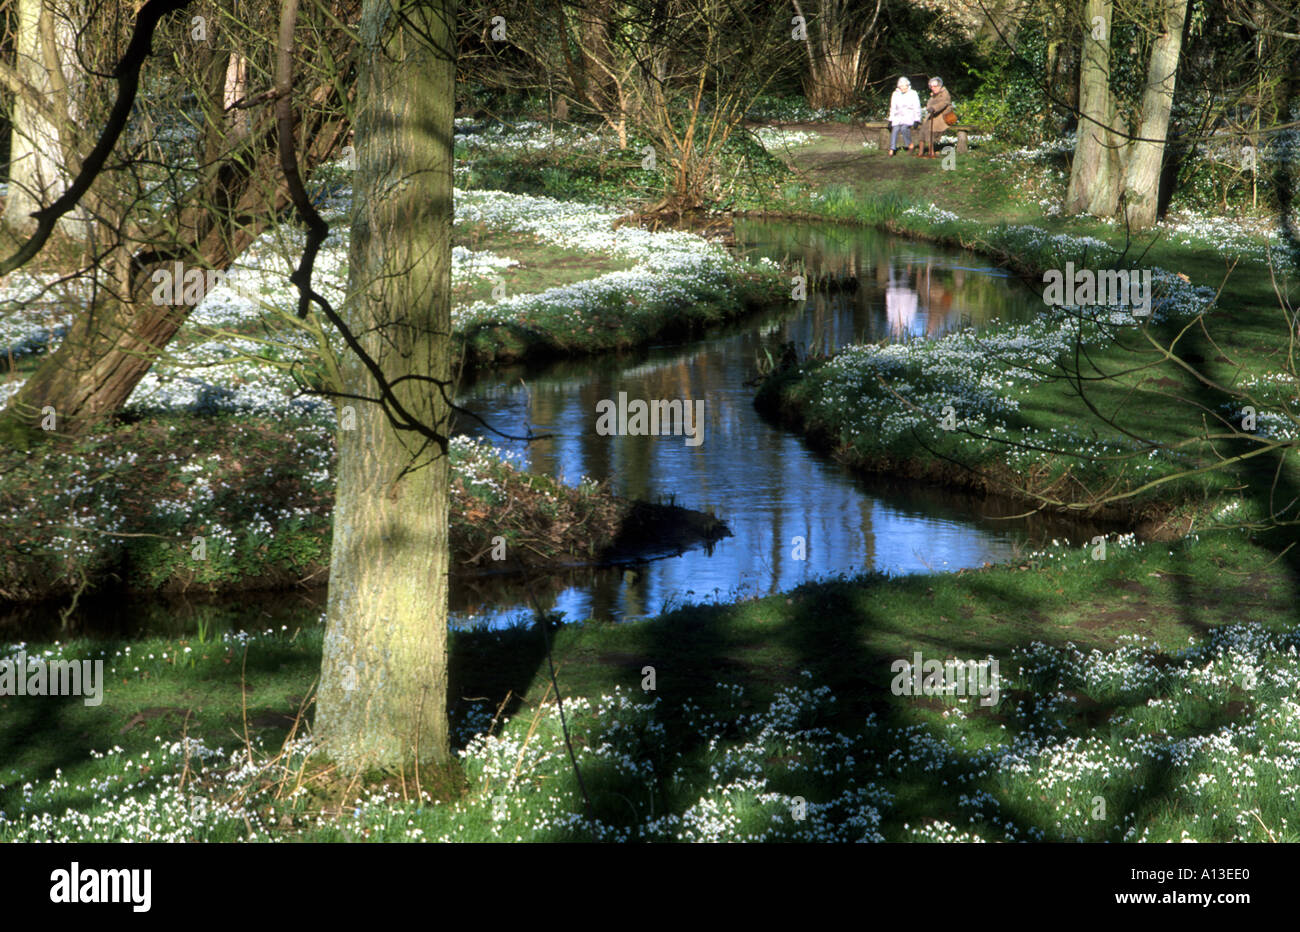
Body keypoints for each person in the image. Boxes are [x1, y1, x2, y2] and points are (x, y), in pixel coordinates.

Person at [917, 76, 953, 159]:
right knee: (923, 130)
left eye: (935, 86)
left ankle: (931, 152)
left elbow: (943, 103)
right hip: (933, 115)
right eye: (931, 87)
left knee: (930, 129)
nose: (933, 88)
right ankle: (920, 152)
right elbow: (929, 104)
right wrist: (930, 108)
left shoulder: (945, 93)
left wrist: (934, 108)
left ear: (939, 86)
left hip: (942, 116)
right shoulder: (933, 95)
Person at [887, 77, 921, 156]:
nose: (902, 88)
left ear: (907, 86)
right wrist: (890, 120)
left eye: (904, 86)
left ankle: (909, 144)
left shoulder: (913, 93)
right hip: (898, 117)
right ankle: (892, 149)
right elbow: (893, 108)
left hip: (909, 116)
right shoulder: (895, 94)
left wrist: (917, 120)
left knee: (903, 128)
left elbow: (917, 107)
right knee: (895, 129)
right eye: (900, 86)